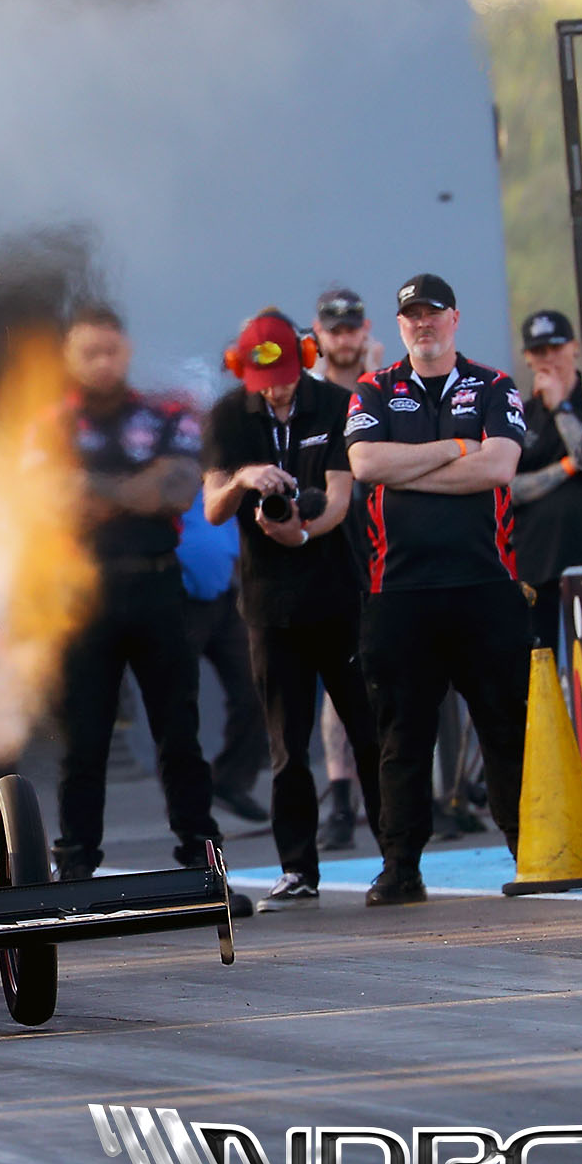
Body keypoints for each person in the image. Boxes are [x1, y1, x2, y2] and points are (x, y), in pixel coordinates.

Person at [345, 274, 529, 905]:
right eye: (411, 316)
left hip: (485, 583)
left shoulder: (495, 384)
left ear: (455, 318)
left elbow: (500, 466)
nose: (423, 324)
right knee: (401, 737)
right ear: (400, 326)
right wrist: (455, 449)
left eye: (433, 314)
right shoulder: (375, 387)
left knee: (505, 726)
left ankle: (527, 850)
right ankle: (402, 866)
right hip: (399, 590)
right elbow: (366, 465)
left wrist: (409, 469)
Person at [202, 310, 383, 910]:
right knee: (287, 745)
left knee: (367, 729)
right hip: (268, 605)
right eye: (265, 382)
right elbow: (211, 508)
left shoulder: (335, 404)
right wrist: (246, 479)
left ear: (304, 360)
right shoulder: (230, 416)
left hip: (337, 591)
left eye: (284, 378)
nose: (276, 391)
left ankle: (396, 857)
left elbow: (337, 500)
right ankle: (298, 866)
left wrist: (301, 533)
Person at [51, 305, 226, 881]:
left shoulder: (168, 413)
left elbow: (177, 490)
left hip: (156, 582)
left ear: (125, 351)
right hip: (84, 593)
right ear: (71, 358)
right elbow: (51, 499)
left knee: (178, 730)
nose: (102, 363)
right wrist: (135, 486)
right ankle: (76, 864)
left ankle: (201, 854)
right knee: (85, 737)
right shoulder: (51, 423)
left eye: (111, 350)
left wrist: (94, 489)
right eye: (89, 352)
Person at [311, 287, 380, 850]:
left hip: (387, 544)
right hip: (333, 550)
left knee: (400, 677)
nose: (343, 337)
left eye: (351, 327)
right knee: (339, 686)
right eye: (333, 329)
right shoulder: (309, 395)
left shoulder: (386, 387)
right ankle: (339, 801)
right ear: (319, 335)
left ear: (365, 330)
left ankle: (415, 796)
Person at [175, 497, 269, 826]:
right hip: (180, 601)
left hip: (224, 599)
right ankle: (188, 805)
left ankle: (230, 781)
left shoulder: (215, 476)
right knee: (176, 704)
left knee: (256, 687)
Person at [509, 310, 582, 652]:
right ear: (528, 358)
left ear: (574, 347)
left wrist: (561, 406)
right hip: (537, 562)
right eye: (539, 351)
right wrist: (566, 468)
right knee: (540, 663)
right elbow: (509, 486)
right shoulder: (519, 413)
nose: (548, 359)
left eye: (555, 348)